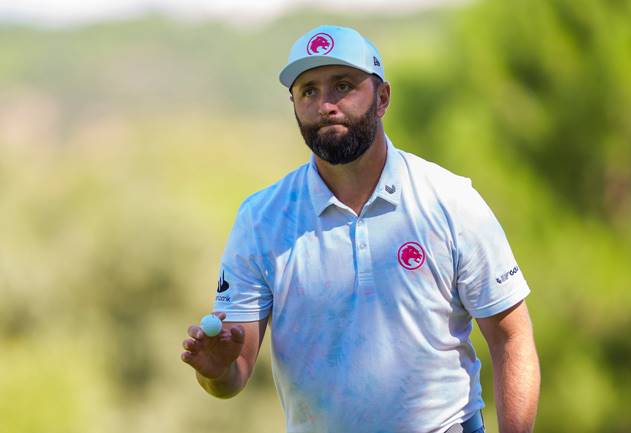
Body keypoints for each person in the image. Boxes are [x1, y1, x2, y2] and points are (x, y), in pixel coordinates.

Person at [181, 25, 540, 433]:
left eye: (343, 85)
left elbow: (511, 339)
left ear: (383, 97)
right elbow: (233, 374)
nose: (325, 105)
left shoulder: (450, 200)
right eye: (309, 91)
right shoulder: (260, 219)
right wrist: (214, 372)